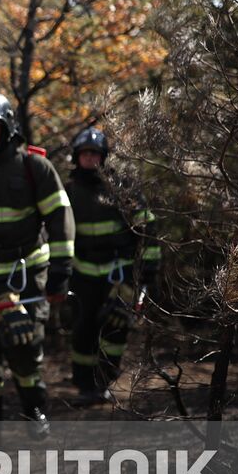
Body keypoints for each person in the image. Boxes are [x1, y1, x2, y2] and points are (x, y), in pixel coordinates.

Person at [0, 89, 73, 439]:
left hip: (24, 274)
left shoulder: (34, 167)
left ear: (6, 127)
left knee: (24, 348)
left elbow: (60, 217)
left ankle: (33, 412)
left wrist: (61, 271)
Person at [65, 127, 160, 406]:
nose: (90, 158)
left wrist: (149, 271)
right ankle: (84, 385)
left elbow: (148, 230)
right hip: (81, 275)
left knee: (115, 329)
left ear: (103, 157)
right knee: (83, 330)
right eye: (85, 153)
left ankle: (103, 380)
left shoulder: (124, 190)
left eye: (95, 153)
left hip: (119, 275)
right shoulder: (68, 192)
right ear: (76, 157)